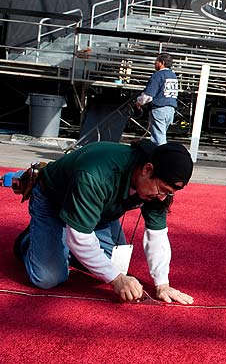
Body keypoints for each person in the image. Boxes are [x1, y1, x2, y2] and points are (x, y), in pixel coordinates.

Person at [13, 140, 194, 304]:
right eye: (162, 190)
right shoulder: (95, 174)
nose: (162, 198)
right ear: (147, 169)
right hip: (52, 201)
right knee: (47, 277)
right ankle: (30, 240)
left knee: (115, 265)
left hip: (99, 213)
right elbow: (81, 239)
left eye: (169, 193)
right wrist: (116, 279)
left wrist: (162, 283)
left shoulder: (159, 188)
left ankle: (64, 239)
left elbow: (157, 236)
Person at [136, 53, 179, 145]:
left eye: (156, 61)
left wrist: (139, 102)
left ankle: (162, 157)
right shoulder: (173, 75)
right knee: (161, 135)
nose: (154, 64)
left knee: (159, 138)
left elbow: (148, 96)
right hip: (170, 109)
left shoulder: (158, 75)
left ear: (161, 63)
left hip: (159, 109)